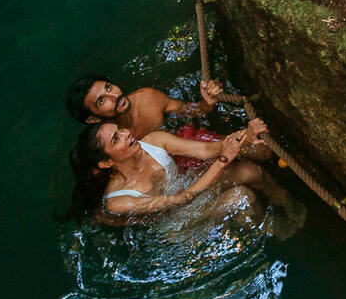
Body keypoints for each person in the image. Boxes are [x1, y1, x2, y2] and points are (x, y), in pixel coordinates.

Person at [67, 118, 295, 225]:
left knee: (250, 170)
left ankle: (287, 203)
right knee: (241, 197)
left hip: (189, 188)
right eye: (117, 138)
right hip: (176, 222)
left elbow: (206, 149)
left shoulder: (153, 141)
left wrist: (246, 136)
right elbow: (181, 200)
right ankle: (268, 231)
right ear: (106, 162)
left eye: (120, 129)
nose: (126, 134)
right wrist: (225, 159)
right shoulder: (116, 201)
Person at [65, 73, 229, 136]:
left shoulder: (147, 98)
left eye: (108, 87)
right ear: (92, 119)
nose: (114, 95)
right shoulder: (107, 142)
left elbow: (195, 111)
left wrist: (207, 101)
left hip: (182, 145)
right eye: (102, 100)